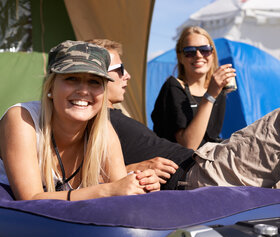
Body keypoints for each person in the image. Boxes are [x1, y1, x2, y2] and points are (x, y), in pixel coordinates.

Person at [89, 38, 280, 190]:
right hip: (196, 170)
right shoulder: (93, 119)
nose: (127, 75)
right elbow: (71, 175)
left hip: (206, 158)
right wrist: (129, 170)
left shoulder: (113, 116)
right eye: (120, 69)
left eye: (205, 50)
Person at [0, 40, 160, 201]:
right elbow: (30, 199)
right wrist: (107, 190)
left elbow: (121, 189)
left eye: (94, 82)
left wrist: (141, 184)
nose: (83, 91)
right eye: (72, 78)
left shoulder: (103, 131)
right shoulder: (22, 119)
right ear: (50, 87)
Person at [151, 26, 236, 150]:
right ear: (180, 57)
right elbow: (188, 146)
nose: (198, 55)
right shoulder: (173, 87)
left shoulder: (217, 89)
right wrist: (210, 97)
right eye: (190, 51)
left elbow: (211, 137)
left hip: (209, 158)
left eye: (205, 50)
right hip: (182, 164)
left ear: (212, 55)